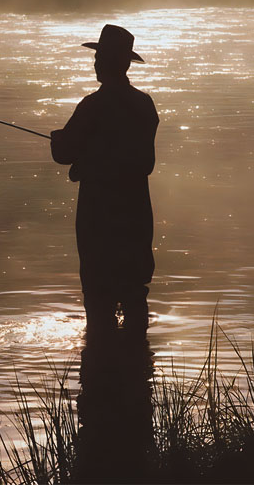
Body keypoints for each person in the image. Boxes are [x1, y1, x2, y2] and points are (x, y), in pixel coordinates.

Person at [51, 24, 158, 332]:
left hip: (98, 221)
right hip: (136, 218)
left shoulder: (92, 106)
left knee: (99, 304)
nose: (94, 63)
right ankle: (138, 373)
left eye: (99, 58)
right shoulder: (144, 105)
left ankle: (102, 370)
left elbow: (64, 154)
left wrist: (59, 141)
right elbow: (145, 164)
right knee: (136, 300)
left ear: (109, 62)